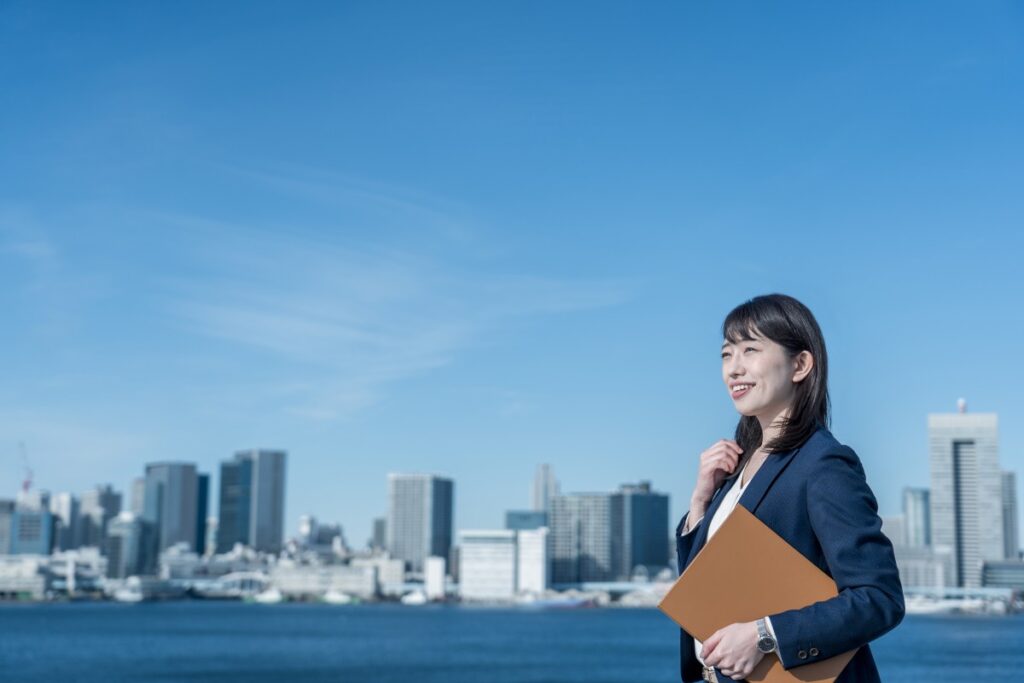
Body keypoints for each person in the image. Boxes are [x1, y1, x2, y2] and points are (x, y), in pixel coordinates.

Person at [675, 294, 904, 683]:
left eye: (750, 349)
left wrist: (765, 635)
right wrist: (700, 504)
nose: (734, 368)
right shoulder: (739, 467)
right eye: (727, 354)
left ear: (800, 364)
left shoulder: (823, 463)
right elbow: (710, 589)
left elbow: (879, 598)